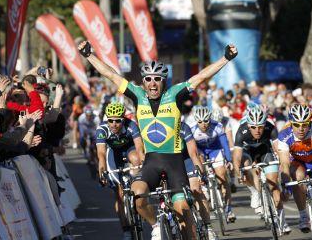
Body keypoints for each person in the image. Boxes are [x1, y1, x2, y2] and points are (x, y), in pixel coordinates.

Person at [78, 40, 237, 239]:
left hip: (174, 162)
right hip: (152, 161)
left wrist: (226, 58)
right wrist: (89, 55)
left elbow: (201, 76)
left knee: (184, 212)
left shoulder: (175, 94)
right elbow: (110, 74)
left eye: (157, 79)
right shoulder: (137, 96)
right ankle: (154, 225)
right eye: (149, 79)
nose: (153, 83)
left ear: (164, 80)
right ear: (143, 81)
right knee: (137, 197)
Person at [233, 107, 291, 233]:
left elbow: (278, 149)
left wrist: (282, 163)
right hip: (248, 152)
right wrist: (239, 173)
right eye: (253, 127)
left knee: (273, 185)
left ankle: (283, 221)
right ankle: (254, 192)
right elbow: (237, 157)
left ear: (265, 124)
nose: (257, 130)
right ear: (248, 125)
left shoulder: (270, 127)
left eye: (260, 126)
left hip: (265, 151)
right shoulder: (241, 131)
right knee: (246, 165)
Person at [278, 104, 312, 232]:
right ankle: (303, 216)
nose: (301, 128)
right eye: (297, 124)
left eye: (305, 124)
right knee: (297, 176)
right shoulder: (284, 135)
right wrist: (285, 184)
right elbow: (285, 163)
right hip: (298, 163)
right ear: (291, 123)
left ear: (310, 122)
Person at [96, 102, 144, 239]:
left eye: (118, 121)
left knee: (135, 159)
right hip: (112, 153)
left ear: (123, 119)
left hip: (129, 150)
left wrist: (144, 164)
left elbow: (140, 149)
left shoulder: (131, 125)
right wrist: (102, 171)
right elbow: (101, 154)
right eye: (111, 120)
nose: (114, 124)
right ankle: (126, 229)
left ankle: (135, 186)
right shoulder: (102, 129)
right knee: (119, 193)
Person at [186, 106, 236, 222]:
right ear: (196, 121)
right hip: (201, 151)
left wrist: (228, 159)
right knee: (200, 158)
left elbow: (224, 144)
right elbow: (192, 151)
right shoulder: (193, 130)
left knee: (222, 175)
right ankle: (204, 183)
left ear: (210, 119)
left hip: (215, 150)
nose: (203, 124)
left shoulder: (217, 126)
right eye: (200, 122)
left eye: (206, 121)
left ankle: (229, 209)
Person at [180, 121, 218, 240]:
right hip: (167, 163)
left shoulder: (182, 127)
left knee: (196, 189)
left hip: (186, 160)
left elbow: (193, 154)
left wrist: (202, 174)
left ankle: (208, 227)